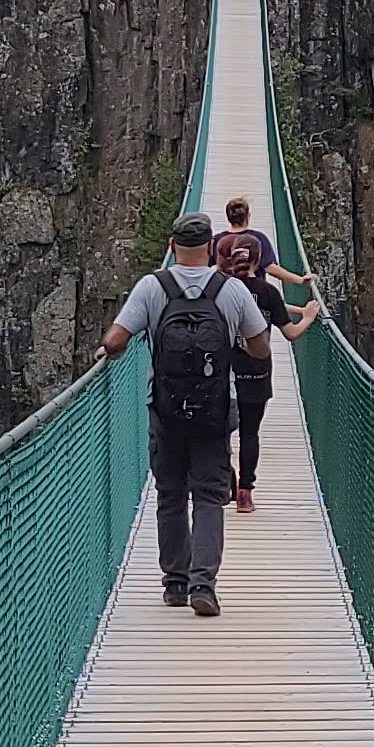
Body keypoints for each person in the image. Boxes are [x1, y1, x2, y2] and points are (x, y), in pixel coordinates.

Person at [102, 213, 272, 616]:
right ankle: (203, 586)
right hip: (215, 412)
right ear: (211, 248)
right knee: (210, 497)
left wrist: (111, 350)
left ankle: (175, 584)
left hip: (165, 410)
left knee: (171, 494)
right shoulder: (230, 289)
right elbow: (261, 348)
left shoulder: (151, 287)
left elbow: (114, 341)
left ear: (171, 244)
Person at [214, 225, 319, 511]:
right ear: (259, 260)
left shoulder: (218, 290)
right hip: (257, 372)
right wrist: (308, 316)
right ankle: (246, 493)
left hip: (223, 373)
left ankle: (225, 481)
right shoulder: (268, 292)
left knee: (219, 430)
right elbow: (291, 334)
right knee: (250, 432)